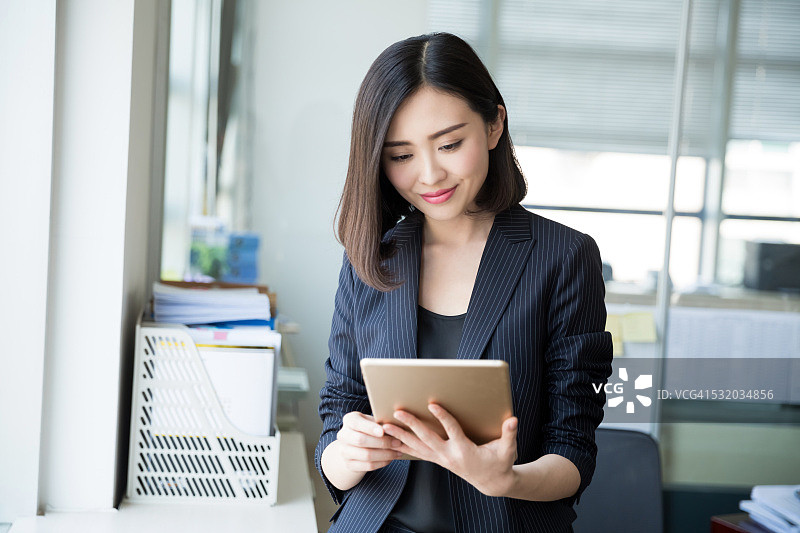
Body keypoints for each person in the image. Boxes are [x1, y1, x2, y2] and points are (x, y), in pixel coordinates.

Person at [315, 32, 613, 533]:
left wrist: (507, 480)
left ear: (495, 125)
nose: (429, 175)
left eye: (450, 144)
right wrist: (348, 454)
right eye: (400, 155)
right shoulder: (372, 256)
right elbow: (337, 416)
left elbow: (574, 450)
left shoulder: (563, 257)